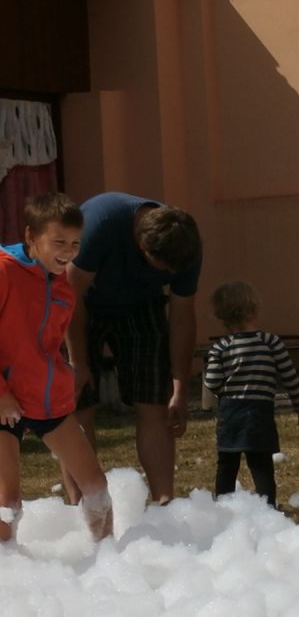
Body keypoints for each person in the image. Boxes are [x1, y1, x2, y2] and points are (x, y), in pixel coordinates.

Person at [65, 192, 202, 505]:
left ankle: (165, 503)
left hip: (141, 306)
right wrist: (78, 363)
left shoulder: (186, 245)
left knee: (154, 402)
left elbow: (182, 317)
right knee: (77, 402)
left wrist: (180, 387)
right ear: (142, 247)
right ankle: (81, 506)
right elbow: (68, 297)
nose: (170, 275)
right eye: (162, 269)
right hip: (82, 304)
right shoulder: (99, 225)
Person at [0, 193, 112, 543]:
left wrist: (66, 382)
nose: (68, 252)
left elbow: (47, 348)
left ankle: (108, 559)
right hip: (3, 399)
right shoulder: (4, 271)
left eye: (76, 243)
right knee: (7, 501)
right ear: (31, 236)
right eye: (59, 242)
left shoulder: (63, 287)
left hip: (44, 400)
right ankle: (7, 567)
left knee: (96, 487)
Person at [202, 281, 299, 508]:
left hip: (231, 413)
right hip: (260, 413)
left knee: (227, 464)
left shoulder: (221, 347)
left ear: (221, 316)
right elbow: (290, 378)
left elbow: (211, 382)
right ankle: (268, 508)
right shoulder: (270, 343)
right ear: (254, 309)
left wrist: (224, 389)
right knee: (261, 465)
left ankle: (223, 508)